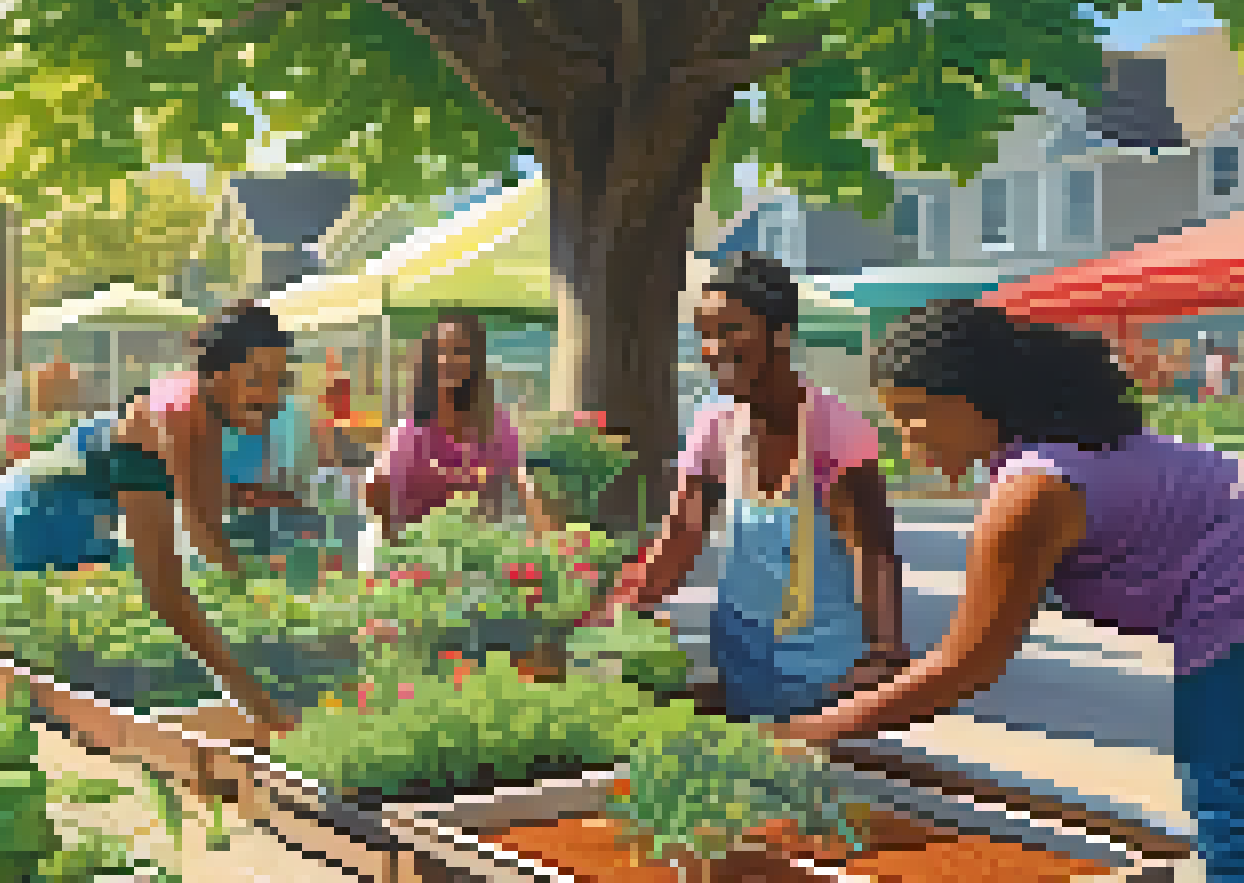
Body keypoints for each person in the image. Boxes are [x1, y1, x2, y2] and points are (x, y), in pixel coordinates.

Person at [770, 299, 1244, 883]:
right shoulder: (1052, 453)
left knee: (1241, 834)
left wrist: (810, 731)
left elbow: (965, 667)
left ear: (976, 402)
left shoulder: (1033, 490)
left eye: (916, 415)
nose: (905, 440)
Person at [596, 254, 909, 721]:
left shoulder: (835, 432)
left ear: (780, 333)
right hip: (739, 659)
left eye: (731, 330)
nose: (714, 348)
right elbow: (681, 538)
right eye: (705, 334)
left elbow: (874, 554)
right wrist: (613, 610)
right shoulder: (715, 425)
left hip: (827, 671)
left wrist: (885, 654)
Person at [0, 301, 296, 731]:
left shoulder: (202, 410)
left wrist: (257, 606)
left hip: (60, 513)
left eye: (280, 380)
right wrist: (262, 705)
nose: (273, 398)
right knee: (54, 672)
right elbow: (168, 592)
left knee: (85, 645)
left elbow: (207, 526)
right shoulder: (170, 419)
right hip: (26, 516)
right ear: (216, 377)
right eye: (257, 380)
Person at [364, 311, 558, 541]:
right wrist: (394, 544)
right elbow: (375, 490)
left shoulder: (495, 424)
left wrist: (550, 543)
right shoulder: (412, 429)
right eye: (441, 352)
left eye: (459, 351)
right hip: (418, 552)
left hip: (477, 548)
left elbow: (521, 483)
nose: (448, 360)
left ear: (475, 360)